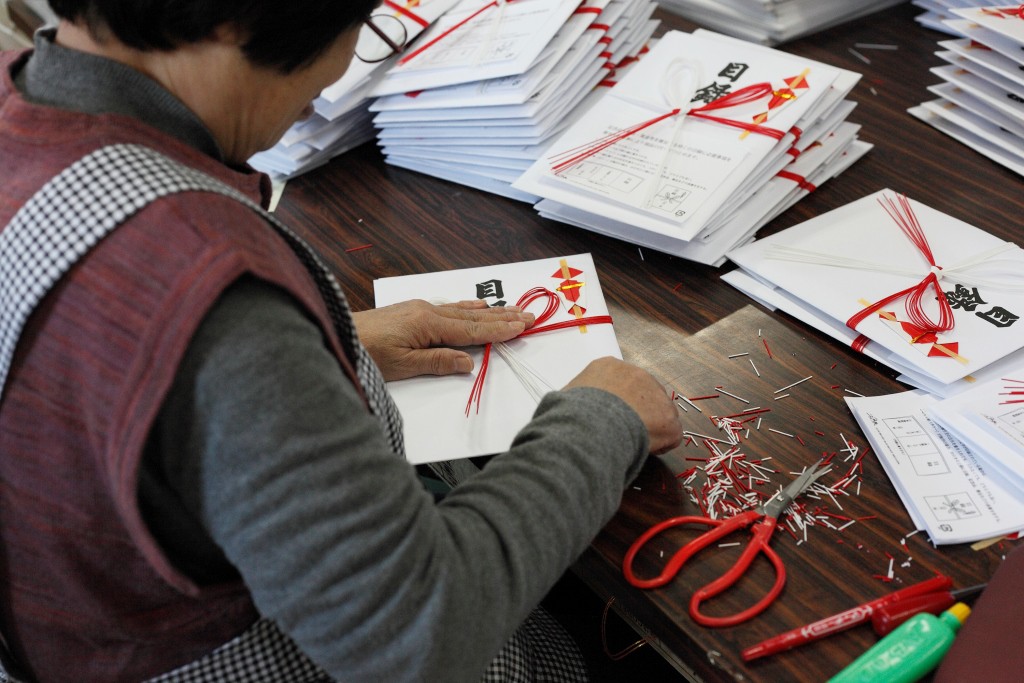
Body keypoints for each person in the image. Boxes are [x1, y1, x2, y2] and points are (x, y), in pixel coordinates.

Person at [0, 1, 683, 681]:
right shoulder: (206, 291)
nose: (326, 90)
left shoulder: (20, 102)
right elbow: (418, 633)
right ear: (233, 18)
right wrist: (599, 424)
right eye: (356, 29)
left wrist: (315, 352)